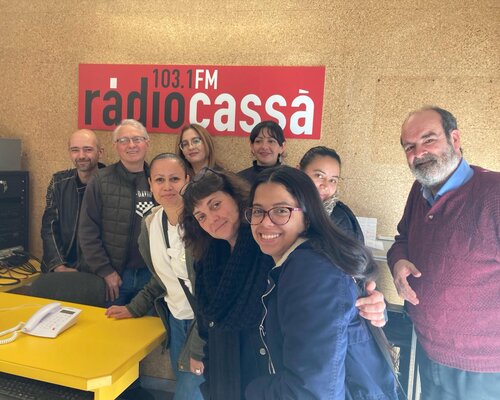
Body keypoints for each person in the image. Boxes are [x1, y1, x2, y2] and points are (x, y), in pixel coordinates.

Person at [180, 168, 389, 399]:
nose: (211, 218)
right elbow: (208, 323)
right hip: (230, 374)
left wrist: (371, 305)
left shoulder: (277, 252)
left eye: (215, 205)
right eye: (201, 216)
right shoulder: (208, 257)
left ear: (236, 199)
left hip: (267, 379)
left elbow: (335, 299)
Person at [244, 166, 397, 399]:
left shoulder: (310, 270)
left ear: (307, 217)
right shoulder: (293, 259)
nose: (265, 222)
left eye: (281, 210)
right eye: (258, 211)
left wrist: (250, 390)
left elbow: (312, 392)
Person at [387, 106, 500, 400]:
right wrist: (398, 262)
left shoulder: (494, 194)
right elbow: (402, 239)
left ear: (455, 138)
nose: (419, 153)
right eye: (409, 146)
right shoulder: (418, 191)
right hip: (429, 352)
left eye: (429, 139)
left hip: (484, 368)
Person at [106, 153, 204, 400]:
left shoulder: (203, 224)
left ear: (187, 180)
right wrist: (134, 308)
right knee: (186, 384)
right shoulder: (151, 223)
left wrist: (198, 347)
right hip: (176, 321)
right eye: (159, 180)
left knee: (189, 393)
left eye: (174, 179)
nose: (167, 186)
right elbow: (161, 278)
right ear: (150, 184)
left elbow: (216, 291)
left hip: (203, 325)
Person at [79, 119, 154, 305]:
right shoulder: (100, 180)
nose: (131, 145)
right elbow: (88, 232)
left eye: (137, 139)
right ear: (115, 146)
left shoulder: (159, 179)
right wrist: (106, 271)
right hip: (114, 278)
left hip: (151, 277)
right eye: (123, 140)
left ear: (147, 143)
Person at [41, 129, 104, 272]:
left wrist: (104, 271)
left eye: (88, 149)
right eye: (75, 150)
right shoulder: (58, 182)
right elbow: (49, 228)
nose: (81, 156)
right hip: (62, 266)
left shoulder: (112, 184)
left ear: (100, 152)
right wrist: (58, 266)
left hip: (98, 270)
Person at [299, 146, 365, 243]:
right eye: (319, 176)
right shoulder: (285, 206)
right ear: (299, 171)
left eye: (332, 180)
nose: (325, 186)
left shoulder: (339, 221)